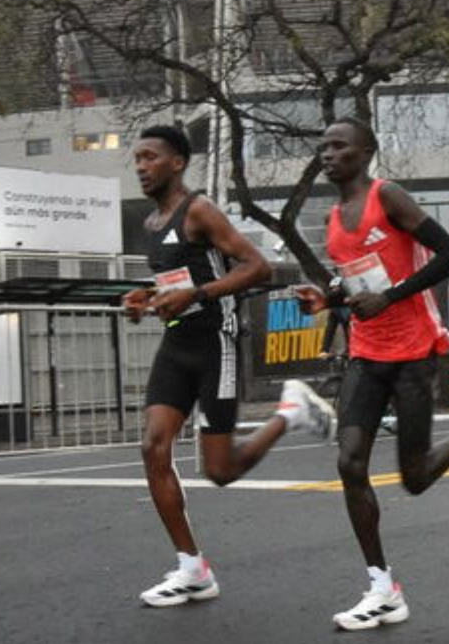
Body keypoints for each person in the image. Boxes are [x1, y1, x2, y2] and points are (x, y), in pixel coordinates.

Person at [296, 118, 449, 631]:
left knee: (415, 478)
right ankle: (382, 586)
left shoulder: (389, 196)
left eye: (339, 145)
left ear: (366, 151)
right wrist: (326, 296)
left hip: (414, 350)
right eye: (323, 146)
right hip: (367, 351)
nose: (327, 153)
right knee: (350, 463)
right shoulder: (333, 219)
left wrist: (391, 296)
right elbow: (353, 279)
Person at [122, 126, 336, 608]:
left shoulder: (198, 211)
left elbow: (256, 267)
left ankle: (291, 412)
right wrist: (144, 297)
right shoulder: (153, 224)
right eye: (136, 158)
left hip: (214, 344)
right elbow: (172, 282)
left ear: (177, 163)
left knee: (219, 471)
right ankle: (191, 568)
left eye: (150, 157)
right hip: (176, 346)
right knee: (153, 447)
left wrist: (195, 295)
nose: (140, 166)